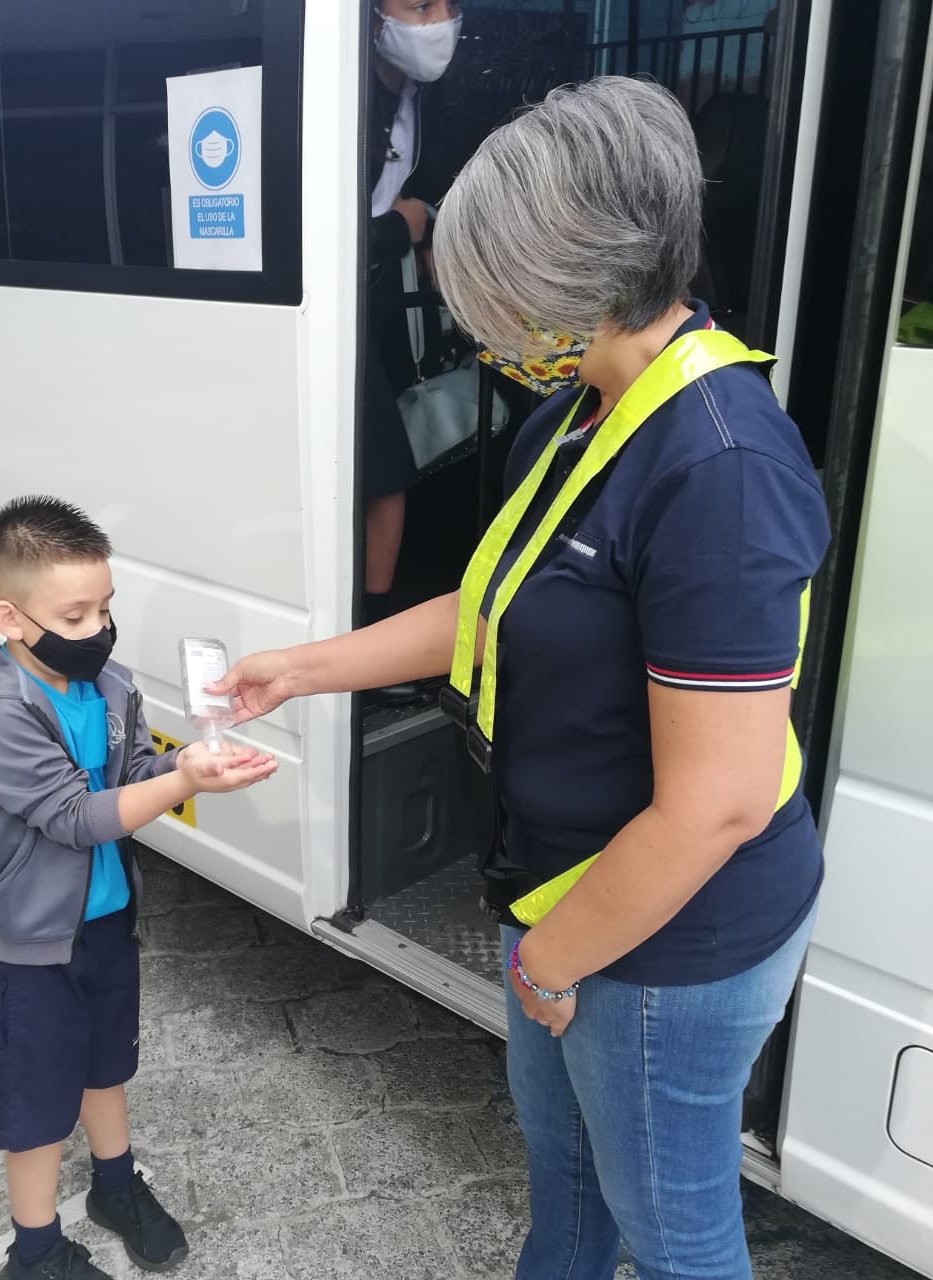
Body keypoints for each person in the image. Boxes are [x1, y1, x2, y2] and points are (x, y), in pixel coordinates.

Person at [212, 77, 831, 1280]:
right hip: (560, 896)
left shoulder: (719, 467)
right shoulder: (580, 411)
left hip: (663, 937)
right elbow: (491, 602)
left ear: (576, 278)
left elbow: (715, 804)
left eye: (489, 296)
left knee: (673, 1235)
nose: (476, 329)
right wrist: (304, 666)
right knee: (567, 1190)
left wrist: (552, 958)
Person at [0, 496, 277, 1280]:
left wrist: (185, 765)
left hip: (105, 924)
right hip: (29, 949)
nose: (97, 629)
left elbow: (130, 777)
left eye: (105, 608)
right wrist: (182, 784)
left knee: (106, 1063)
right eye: (75, 615)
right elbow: (75, 817)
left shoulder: (110, 686)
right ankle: (35, 1252)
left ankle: (116, 1186)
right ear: (10, 618)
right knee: (34, 1106)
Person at [362, 0, 462, 625]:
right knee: (386, 475)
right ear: (372, 15)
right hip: (345, 301)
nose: (440, 22)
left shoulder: (419, 98)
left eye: (448, 6)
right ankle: (371, 622)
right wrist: (401, 229)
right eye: (420, 6)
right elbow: (309, 234)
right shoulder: (344, 98)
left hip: (379, 296)